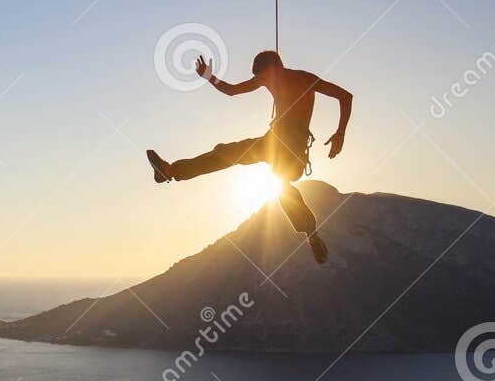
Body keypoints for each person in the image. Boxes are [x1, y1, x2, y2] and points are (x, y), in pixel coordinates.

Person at [146, 50, 352, 264]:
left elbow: (345, 96)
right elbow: (233, 91)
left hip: (293, 149)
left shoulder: (304, 78)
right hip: (272, 142)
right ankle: (170, 171)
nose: (264, 82)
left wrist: (340, 133)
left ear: (276, 67)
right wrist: (208, 77)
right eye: (262, 79)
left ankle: (311, 234)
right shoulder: (268, 79)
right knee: (227, 153)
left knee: (281, 185)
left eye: (265, 77)